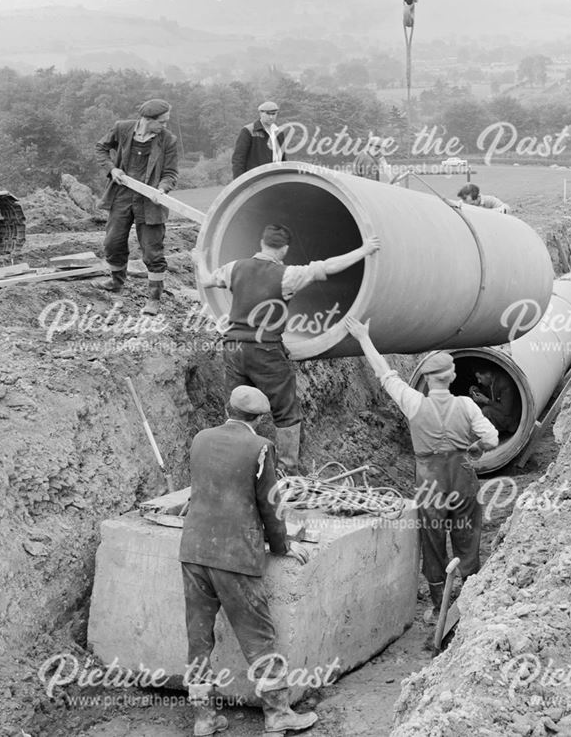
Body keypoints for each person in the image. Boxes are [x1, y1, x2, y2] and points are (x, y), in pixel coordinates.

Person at [179, 385, 318, 736]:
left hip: (194, 549)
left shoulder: (201, 438)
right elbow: (269, 506)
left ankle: (204, 717)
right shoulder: (260, 447)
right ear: (260, 419)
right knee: (259, 637)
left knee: (198, 637)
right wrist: (282, 545)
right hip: (235, 555)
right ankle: (277, 713)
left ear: (228, 408)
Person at [191, 225, 381, 475]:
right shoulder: (288, 275)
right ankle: (286, 471)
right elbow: (327, 267)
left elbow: (206, 280)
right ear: (285, 249)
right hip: (265, 351)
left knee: (237, 407)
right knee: (286, 411)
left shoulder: (234, 267)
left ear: (261, 243)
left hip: (233, 347)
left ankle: (233, 465)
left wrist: (198, 260)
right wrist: (363, 250)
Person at [344, 317, 498, 621]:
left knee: (432, 538)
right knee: (467, 535)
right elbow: (491, 438)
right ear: (452, 376)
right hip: (462, 477)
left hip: (429, 482)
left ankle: (438, 604)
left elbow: (384, 373)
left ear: (427, 379)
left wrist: (363, 337)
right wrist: (476, 448)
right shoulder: (467, 406)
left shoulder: (413, 402)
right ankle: (469, 600)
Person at [93, 99, 179, 315]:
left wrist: (162, 189)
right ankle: (116, 281)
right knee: (112, 244)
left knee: (152, 252)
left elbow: (170, 173)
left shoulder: (167, 140)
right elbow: (101, 148)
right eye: (162, 122)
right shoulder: (122, 128)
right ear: (147, 120)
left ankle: (154, 298)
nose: (165, 126)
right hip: (121, 195)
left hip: (150, 201)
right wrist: (112, 170)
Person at [232, 100, 286, 178]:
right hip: (256, 178)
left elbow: (283, 159)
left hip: (276, 178)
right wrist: (239, 182)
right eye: (268, 114)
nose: (271, 117)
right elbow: (238, 159)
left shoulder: (279, 132)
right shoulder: (248, 130)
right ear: (260, 113)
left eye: (273, 114)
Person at [469, 366, 520, 435]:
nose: (479, 381)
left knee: (486, 410)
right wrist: (477, 391)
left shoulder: (504, 383)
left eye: (480, 378)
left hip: (510, 419)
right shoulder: (489, 381)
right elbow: (488, 395)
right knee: (471, 401)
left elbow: (506, 410)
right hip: (498, 412)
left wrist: (486, 400)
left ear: (488, 374)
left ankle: (485, 435)